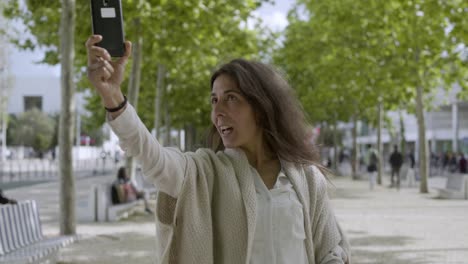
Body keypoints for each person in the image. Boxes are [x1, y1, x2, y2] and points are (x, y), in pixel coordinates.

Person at [86, 34, 350, 264]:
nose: (218, 112)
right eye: (214, 100)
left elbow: (330, 250)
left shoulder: (306, 178)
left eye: (231, 99)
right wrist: (113, 97)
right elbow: (154, 158)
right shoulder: (204, 173)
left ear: (261, 107)